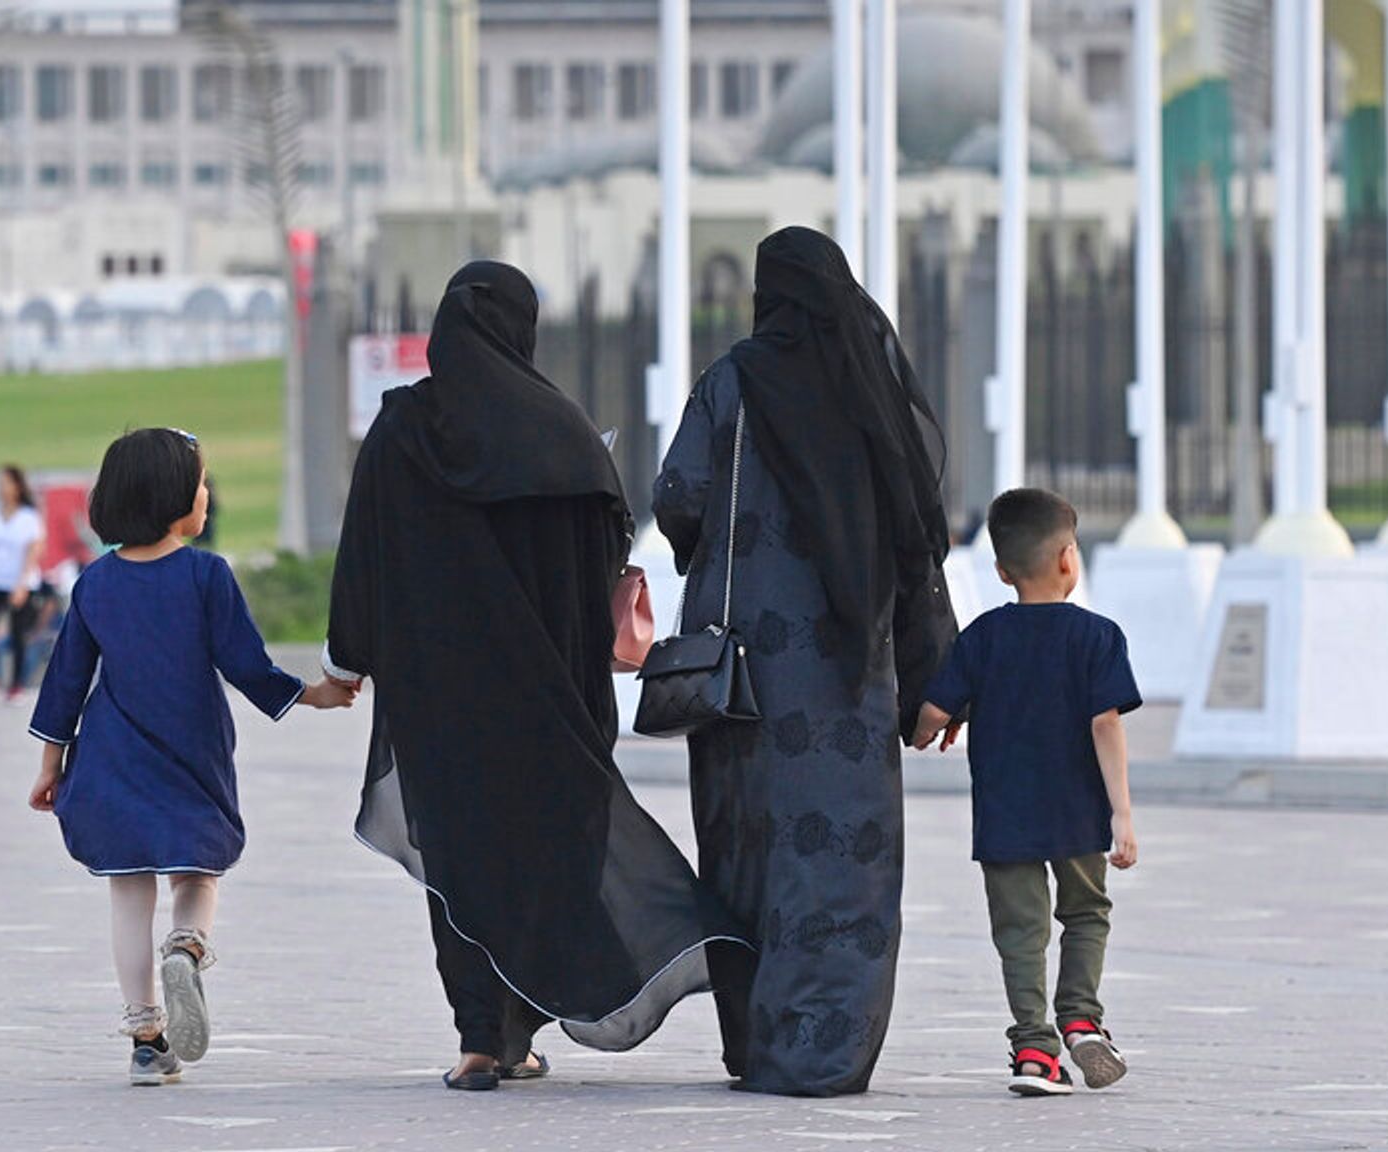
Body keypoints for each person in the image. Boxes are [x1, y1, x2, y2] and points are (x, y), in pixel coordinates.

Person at [325, 261, 744, 1092]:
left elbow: (363, 555)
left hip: (440, 697)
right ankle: (518, 1026)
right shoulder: (565, 435)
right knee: (551, 854)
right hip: (554, 692)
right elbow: (606, 563)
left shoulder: (403, 430)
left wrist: (349, 656)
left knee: (462, 857)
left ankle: (480, 1038)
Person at [654, 227, 956, 1096]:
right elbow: (916, 538)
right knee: (844, 859)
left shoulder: (733, 381)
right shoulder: (870, 388)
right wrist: (933, 677)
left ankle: (755, 1046)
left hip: (746, 676)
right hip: (848, 674)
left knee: (749, 852)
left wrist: (712, 547)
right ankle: (825, 1053)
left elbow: (679, 495)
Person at [26, 428, 356, 1086]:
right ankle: (187, 945)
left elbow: (65, 681)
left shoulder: (95, 583)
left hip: (113, 754)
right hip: (191, 749)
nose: (206, 494)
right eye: (201, 483)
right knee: (197, 871)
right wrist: (312, 694)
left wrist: (49, 766)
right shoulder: (206, 574)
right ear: (174, 498)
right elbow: (245, 664)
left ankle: (146, 1040)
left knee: (128, 888)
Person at [913, 488, 1140, 1097]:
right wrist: (1121, 813)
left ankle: (1035, 1052)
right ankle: (1082, 1019)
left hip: (1005, 815)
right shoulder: (1098, 636)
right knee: (1085, 913)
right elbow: (1105, 724)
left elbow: (932, 713)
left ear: (1002, 571)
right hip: (1078, 812)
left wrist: (929, 728)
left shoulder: (983, 636)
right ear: (1069, 558)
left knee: (1020, 932)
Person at [0, 464, 46, 702]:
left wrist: (22, 583)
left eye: (7, 483)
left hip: (20, 581)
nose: (2, 488)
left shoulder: (29, 516)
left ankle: (16, 683)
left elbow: (33, 550)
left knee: (18, 633)